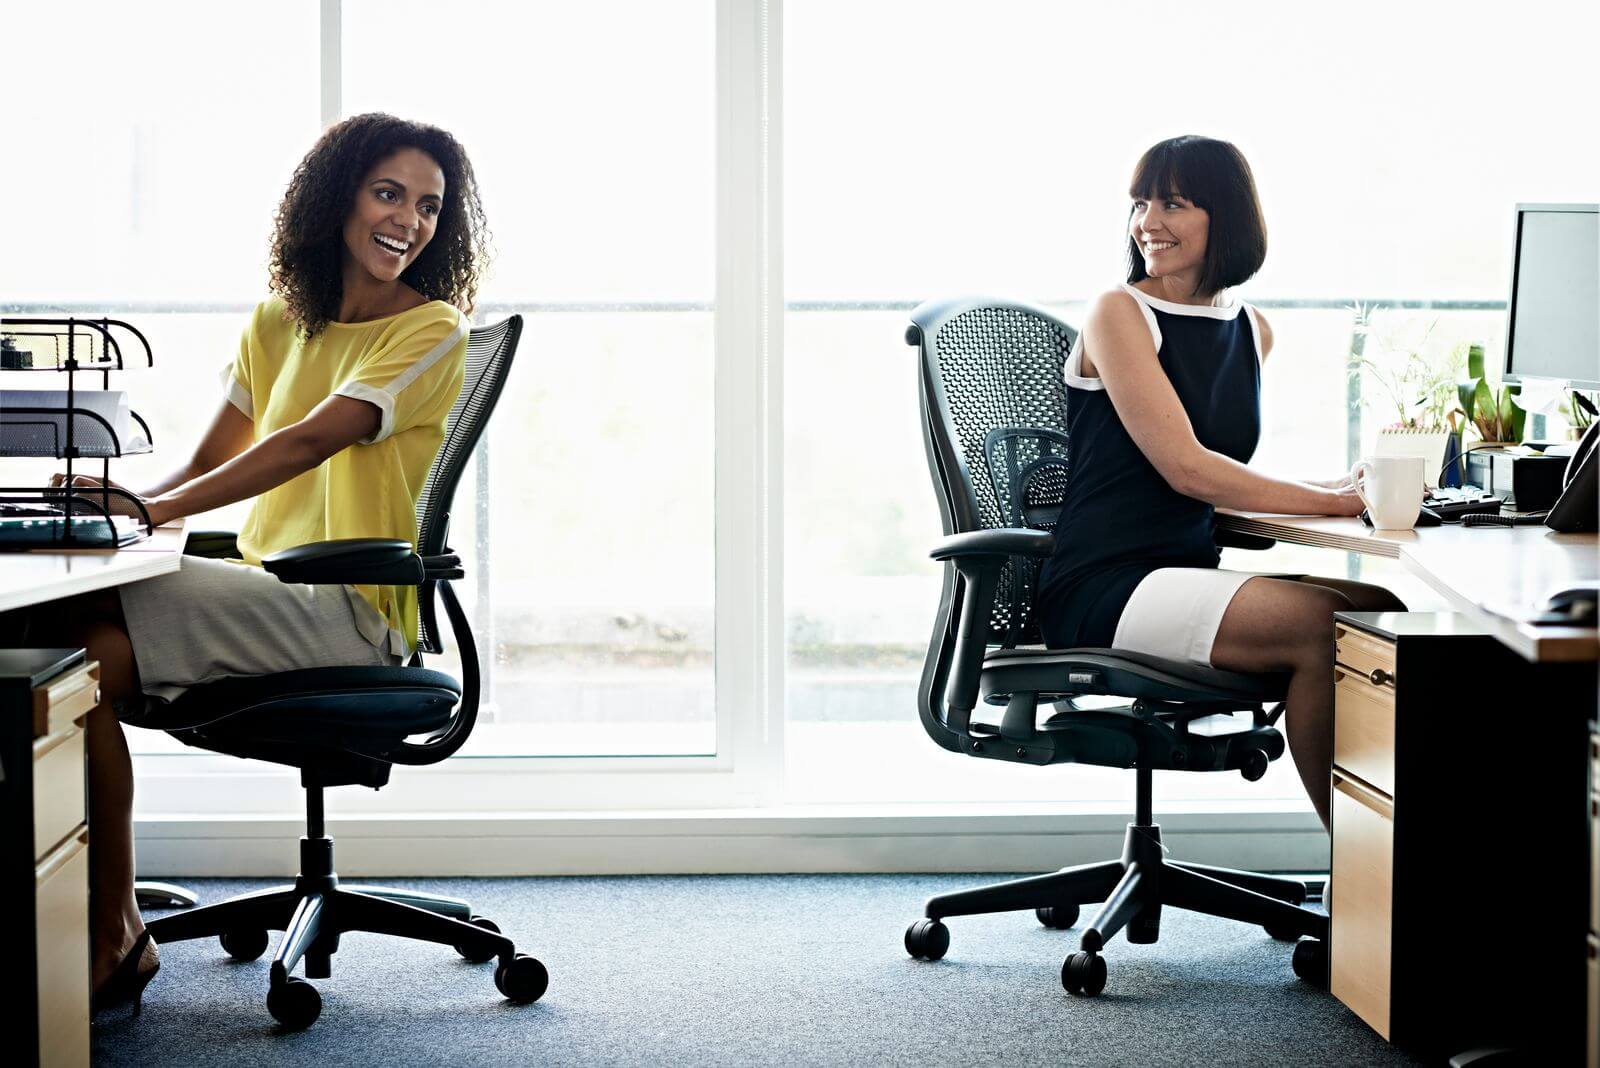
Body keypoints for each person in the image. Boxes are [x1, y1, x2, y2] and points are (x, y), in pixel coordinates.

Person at [26, 112, 491, 1013]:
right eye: (388, 193)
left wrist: (155, 515)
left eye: (430, 207)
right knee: (63, 668)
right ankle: (107, 920)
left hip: (347, 610)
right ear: (337, 199)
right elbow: (208, 463)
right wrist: (124, 508)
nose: (409, 221)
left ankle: (111, 930)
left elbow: (311, 443)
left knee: (68, 665)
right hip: (270, 588)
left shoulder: (431, 328)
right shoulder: (279, 322)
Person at [1034, 135, 1405, 831]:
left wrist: (1339, 484)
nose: (1148, 222)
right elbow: (1187, 467)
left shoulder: (1252, 328)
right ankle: (1364, 879)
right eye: (1141, 203)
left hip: (1182, 574)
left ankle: (1390, 852)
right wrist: (1333, 503)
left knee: (1382, 611)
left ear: (1225, 217)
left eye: (1173, 202)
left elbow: (1222, 466)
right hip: (1108, 584)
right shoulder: (1120, 311)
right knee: (1325, 627)